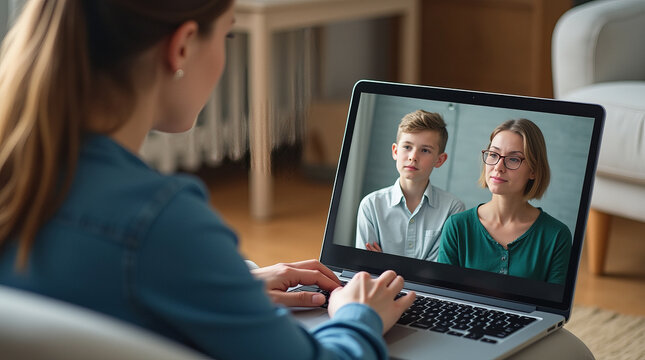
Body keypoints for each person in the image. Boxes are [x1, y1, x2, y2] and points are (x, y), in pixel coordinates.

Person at [0, 1, 416, 359]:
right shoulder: (164, 224)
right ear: (181, 47)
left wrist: (226, 287)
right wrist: (359, 315)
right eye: (228, 37)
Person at [437, 119, 572, 284]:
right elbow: (445, 294)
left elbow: (553, 307)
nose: (498, 167)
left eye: (513, 159)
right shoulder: (457, 226)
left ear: (534, 171)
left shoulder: (556, 235)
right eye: (493, 154)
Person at [355, 110, 465, 261]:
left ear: (439, 160)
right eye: (407, 147)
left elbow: (438, 272)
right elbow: (366, 267)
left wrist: (383, 262)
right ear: (395, 151)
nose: (413, 157)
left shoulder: (453, 209)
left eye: (425, 150)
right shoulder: (371, 205)